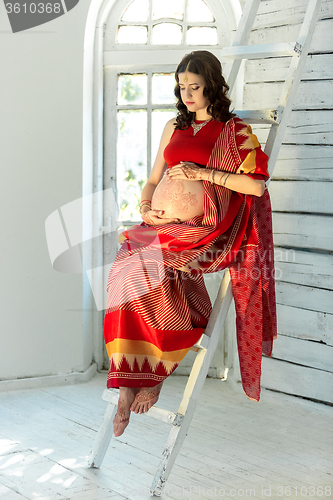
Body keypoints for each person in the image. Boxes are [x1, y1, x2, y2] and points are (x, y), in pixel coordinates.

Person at [104, 50, 277, 437]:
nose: (186, 94)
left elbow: (255, 185)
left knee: (156, 268)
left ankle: (157, 369)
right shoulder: (172, 126)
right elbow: (153, 179)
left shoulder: (234, 132)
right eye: (181, 87)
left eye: (194, 87)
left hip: (208, 230)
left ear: (212, 85)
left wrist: (205, 173)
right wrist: (147, 207)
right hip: (162, 225)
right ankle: (132, 379)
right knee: (125, 271)